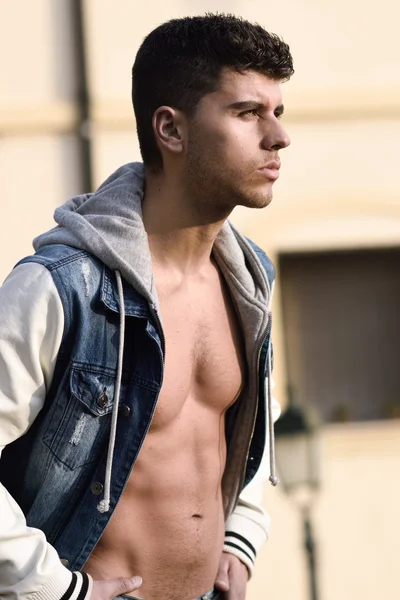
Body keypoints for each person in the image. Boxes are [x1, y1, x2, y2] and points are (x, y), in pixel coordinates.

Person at [0, 13, 294, 600]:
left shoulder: (247, 277)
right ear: (171, 130)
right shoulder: (63, 288)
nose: (278, 137)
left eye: (278, 112)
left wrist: (240, 536)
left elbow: (249, 427)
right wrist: (55, 589)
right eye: (246, 113)